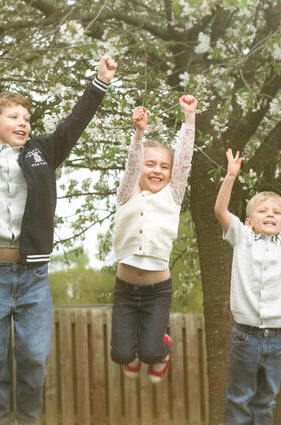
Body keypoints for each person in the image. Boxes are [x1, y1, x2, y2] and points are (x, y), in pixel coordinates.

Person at [0, 40, 116, 425]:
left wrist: (99, 82)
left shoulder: (42, 153)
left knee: (33, 357)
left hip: (33, 276)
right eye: (14, 117)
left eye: (27, 119)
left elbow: (74, 123)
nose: (23, 123)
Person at [110, 96, 197, 383]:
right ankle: (132, 351)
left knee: (151, 352)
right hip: (125, 289)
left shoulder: (173, 197)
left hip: (157, 290)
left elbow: (184, 160)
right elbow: (131, 164)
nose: (157, 170)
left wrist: (189, 119)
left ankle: (163, 348)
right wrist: (139, 133)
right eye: (150, 164)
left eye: (163, 166)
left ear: (171, 174)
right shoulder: (127, 195)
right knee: (121, 355)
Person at [214, 149, 281, 425]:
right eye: (262, 211)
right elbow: (220, 210)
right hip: (245, 335)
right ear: (248, 222)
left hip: (280, 336)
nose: (269, 214)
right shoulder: (242, 237)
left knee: (266, 400)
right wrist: (230, 177)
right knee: (240, 397)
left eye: (276, 212)